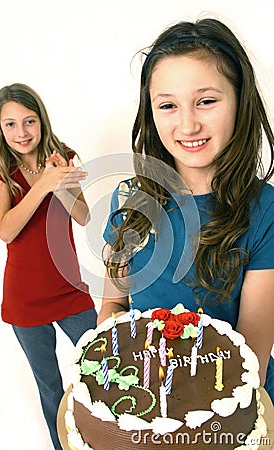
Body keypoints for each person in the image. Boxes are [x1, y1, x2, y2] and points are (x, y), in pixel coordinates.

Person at [98, 18, 274, 404]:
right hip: (145, 399)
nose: (188, 123)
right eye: (167, 105)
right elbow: (114, 303)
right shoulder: (128, 200)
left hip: (228, 408)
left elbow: (252, 363)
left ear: (240, 100)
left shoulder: (266, 210)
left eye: (206, 101)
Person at [0, 83, 97, 449]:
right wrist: (42, 185)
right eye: (10, 124)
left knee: (104, 367)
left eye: (29, 121)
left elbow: (83, 216)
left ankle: (110, 437)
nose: (21, 133)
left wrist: (60, 182)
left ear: (41, 121)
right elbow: (6, 229)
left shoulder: (61, 157)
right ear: (0, 128)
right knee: (50, 386)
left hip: (70, 289)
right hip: (25, 299)